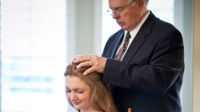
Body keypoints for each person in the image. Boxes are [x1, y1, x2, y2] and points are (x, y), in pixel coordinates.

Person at [73, 0, 184, 112]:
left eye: (119, 9)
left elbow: (159, 81)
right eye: (112, 10)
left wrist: (107, 66)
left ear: (140, 4)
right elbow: (108, 83)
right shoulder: (113, 39)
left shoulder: (167, 34)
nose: (114, 16)